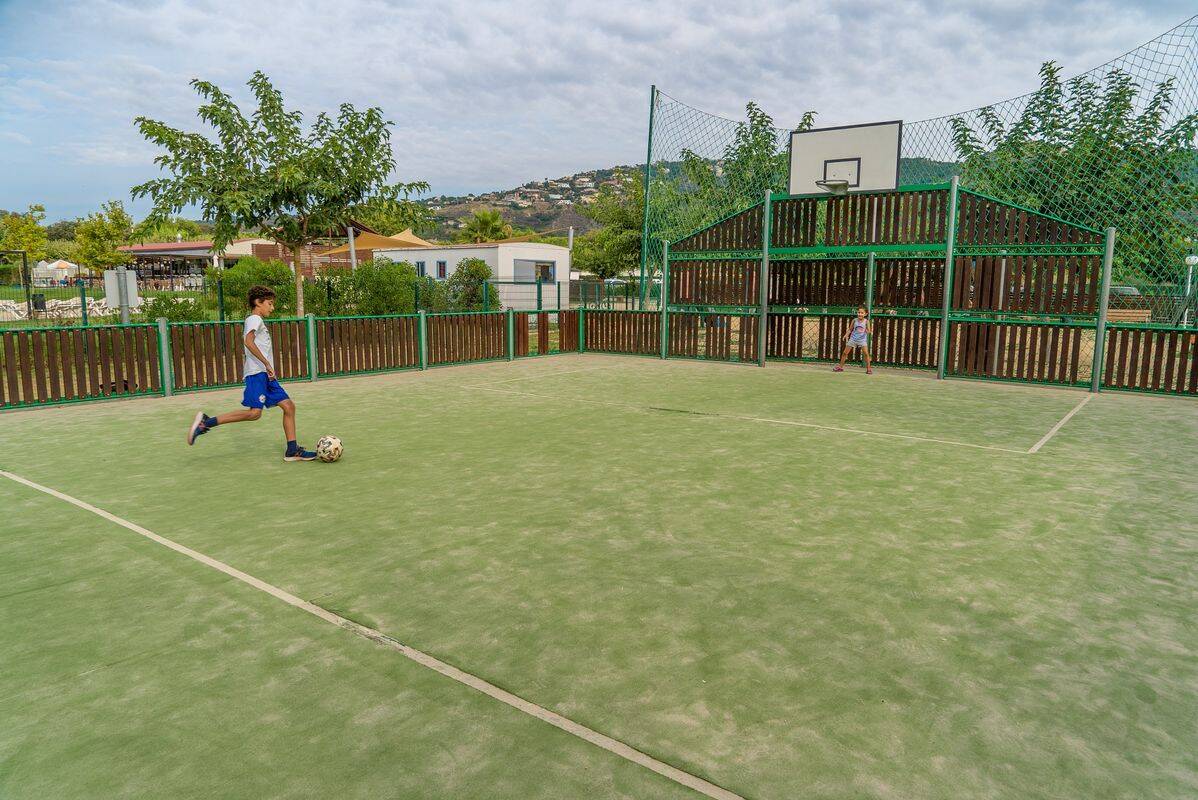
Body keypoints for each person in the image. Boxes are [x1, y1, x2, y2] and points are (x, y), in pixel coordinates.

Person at [186, 285, 316, 460]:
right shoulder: (254, 319)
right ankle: (205, 423)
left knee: (288, 406)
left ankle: (292, 450)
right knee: (254, 413)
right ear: (258, 302)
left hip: (266, 375)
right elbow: (248, 342)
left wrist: (268, 368)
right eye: (269, 304)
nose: (272, 307)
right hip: (257, 373)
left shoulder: (257, 320)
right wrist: (266, 364)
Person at [833, 306, 873, 374]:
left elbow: (869, 331)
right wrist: (846, 335)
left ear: (865, 314)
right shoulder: (854, 320)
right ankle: (840, 367)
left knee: (866, 354)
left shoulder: (866, 321)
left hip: (862, 340)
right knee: (845, 353)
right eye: (859, 312)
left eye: (862, 313)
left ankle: (868, 369)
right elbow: (850, 329)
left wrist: (866, 331)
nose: (860, 314)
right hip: (853, 339)